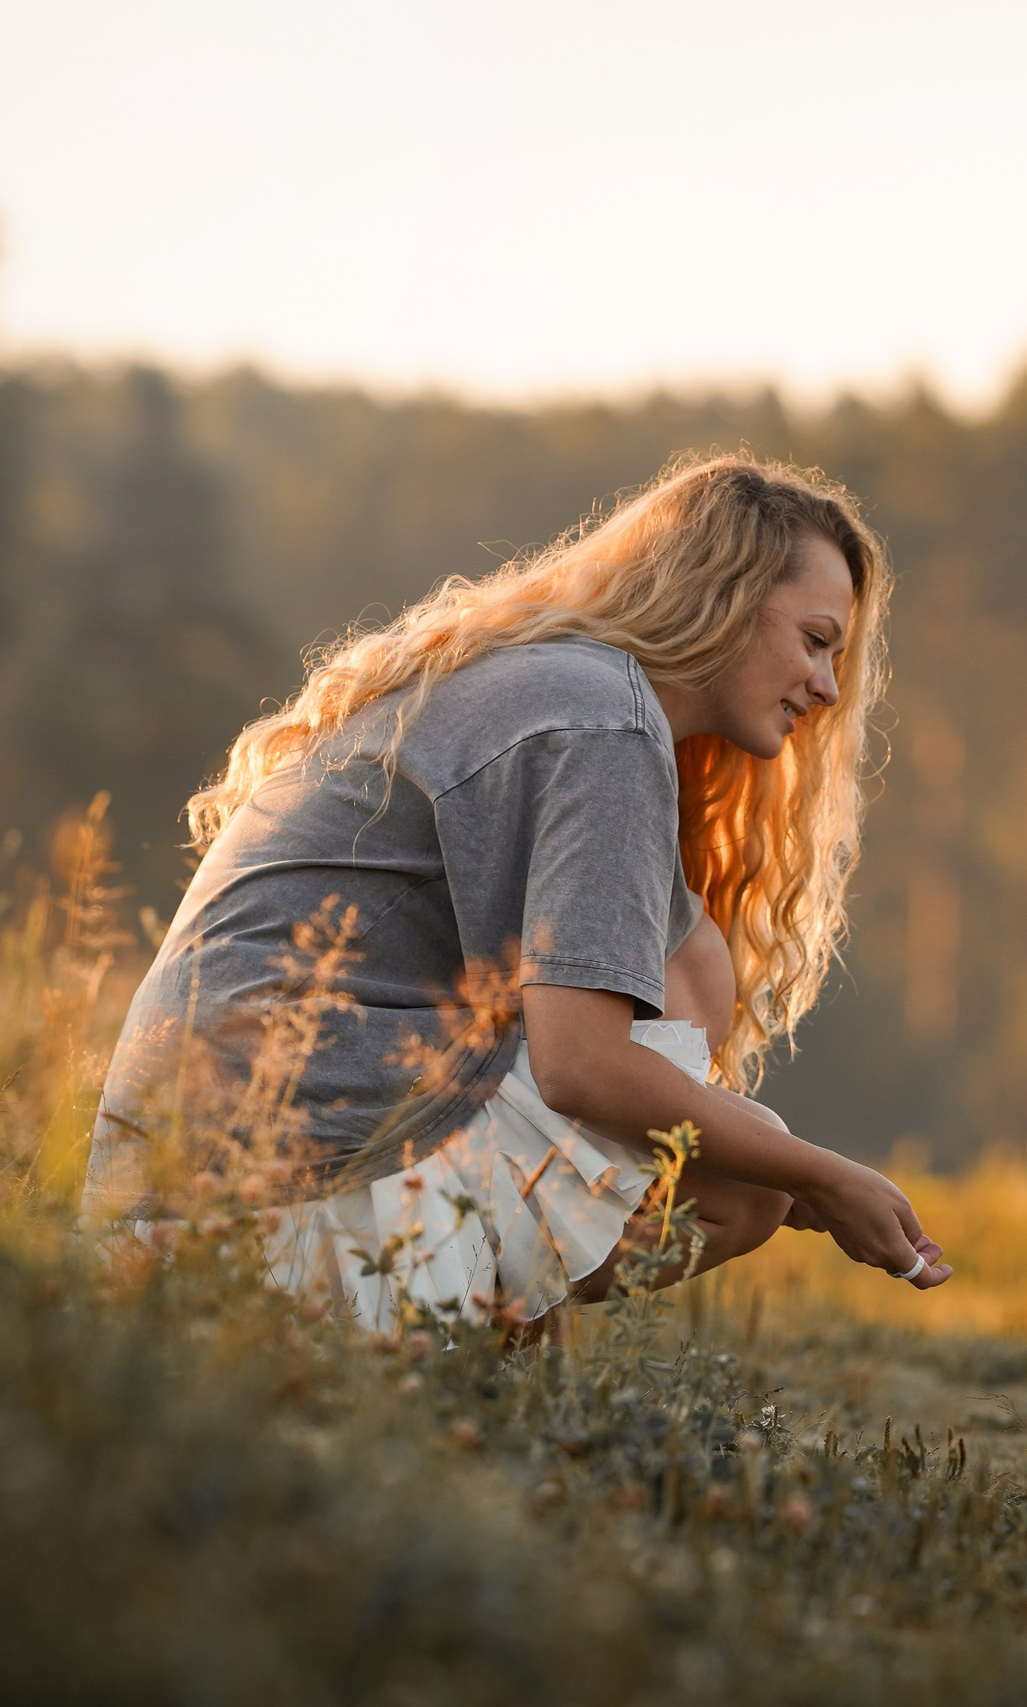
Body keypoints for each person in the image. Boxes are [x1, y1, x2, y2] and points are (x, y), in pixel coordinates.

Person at [84, 453, 950, 1329]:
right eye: (814, 640)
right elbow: (580, 1066)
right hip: (253, 1204)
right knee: (739, 1169)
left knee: (737, 1131)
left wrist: (789, 1168)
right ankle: (415, 1362)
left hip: (172, 1194)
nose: (828, 687)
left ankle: (447, 1366)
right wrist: (821, 1175)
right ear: (725, 598)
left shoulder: (561, 686)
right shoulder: (604, 720)